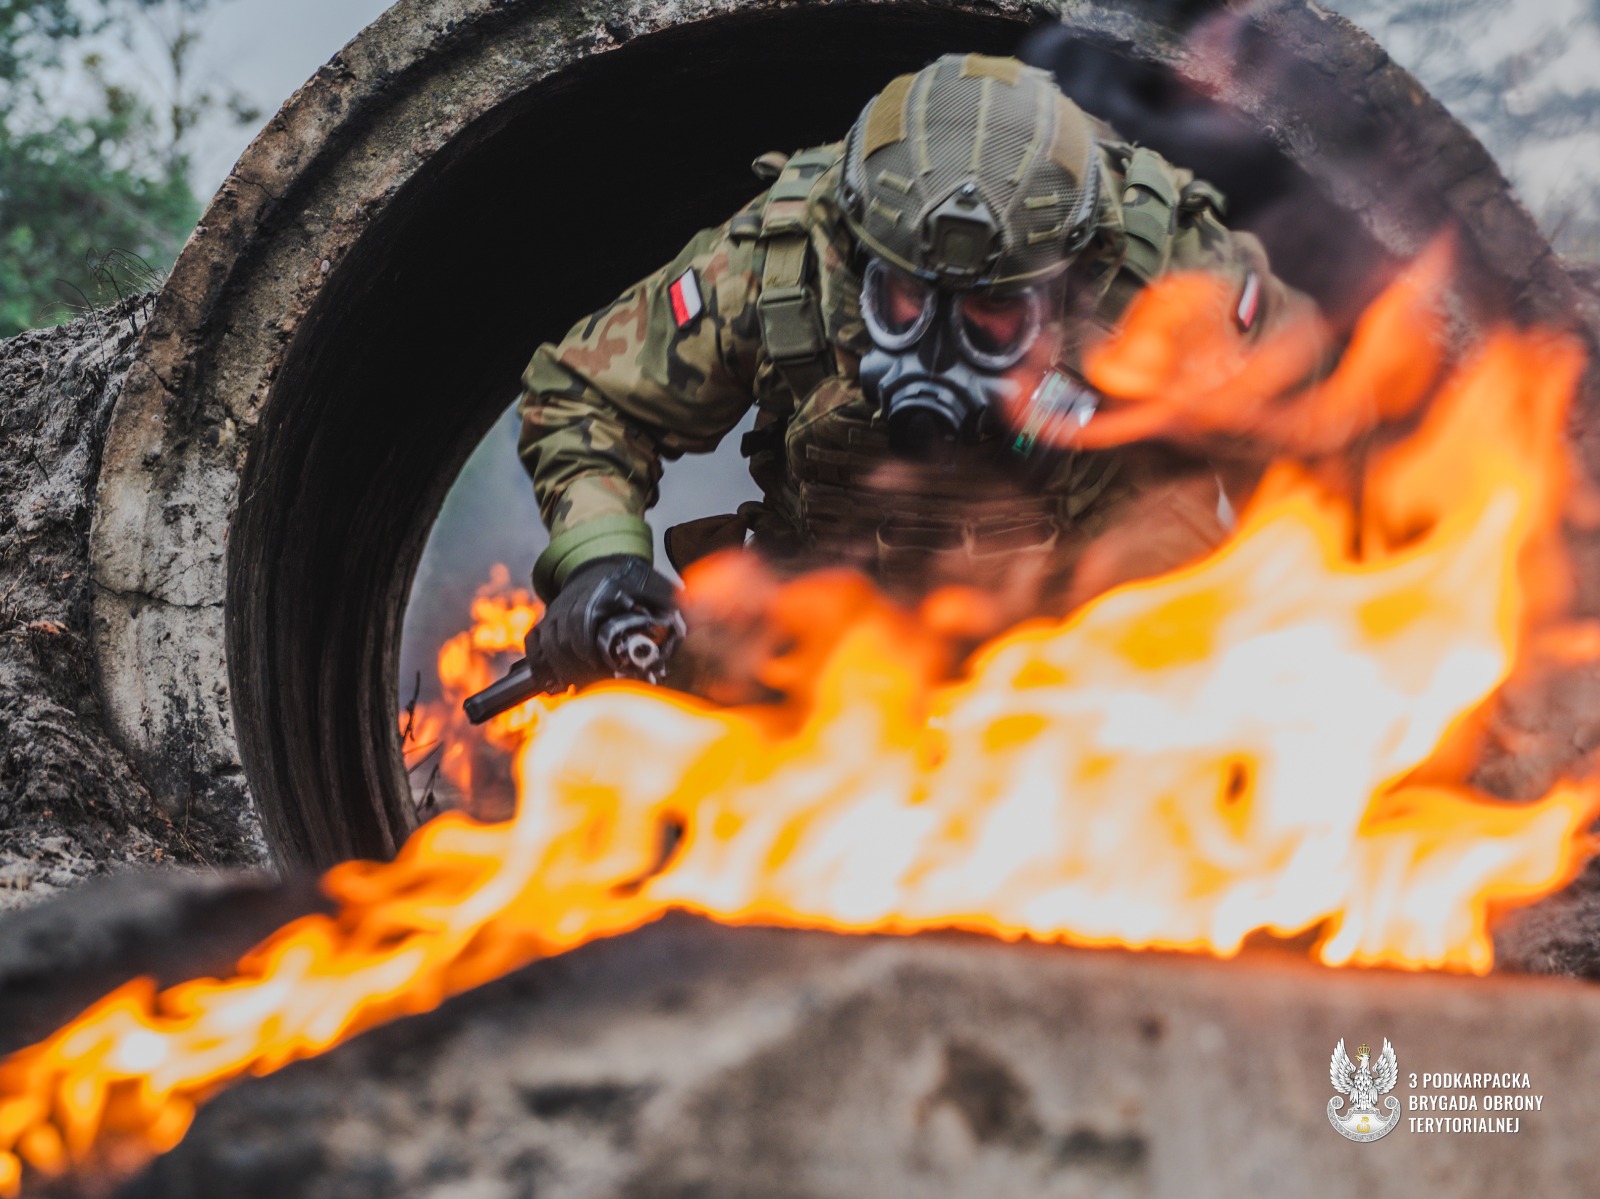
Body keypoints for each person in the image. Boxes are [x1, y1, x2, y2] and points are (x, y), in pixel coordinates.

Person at [515, 52, 1314, 688]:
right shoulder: (782, 262)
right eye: (905, 300)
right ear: (859, 254)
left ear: (1064, 281)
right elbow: (589, 395)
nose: (935, 346)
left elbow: (1324, 463)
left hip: (1113, 653)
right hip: (834, 641)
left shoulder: (1176, 279)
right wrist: (601, 560)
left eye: (987, 316)